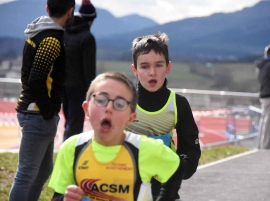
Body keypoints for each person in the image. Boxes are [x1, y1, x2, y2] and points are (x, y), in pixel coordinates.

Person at [49, 72, 183, 201]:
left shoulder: (145, 148)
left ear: (131, 117)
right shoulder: (71, 148)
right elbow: (58, 196)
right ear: (86, 108)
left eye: (119, 104)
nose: (109, 108)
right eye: (101, 100)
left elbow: (176, 168)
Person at [9, 0, 75, 200]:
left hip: (35, 112)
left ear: (47, 9)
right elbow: (36, 79)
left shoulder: (38, 32)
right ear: (71, 12)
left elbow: (29, 75)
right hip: (37, 113)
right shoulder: (51, 40)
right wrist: (48, 111)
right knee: (26, 175)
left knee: (42, 172)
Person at [125, 32, 201, 200]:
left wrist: (175, 169)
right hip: (124, 189)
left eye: (158, 65)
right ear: (135, 69)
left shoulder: (178, 104)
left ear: (168, 67)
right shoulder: (123, 102)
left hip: (165, 191)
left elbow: (191, 152)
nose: (152, 72)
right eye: (145, 66)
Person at [63, 0, 97, 141]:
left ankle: (64, 153)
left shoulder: (65, 32)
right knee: (75, 126)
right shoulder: (87, 38)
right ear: (90, 19)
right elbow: (89, 69)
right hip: (79, 89)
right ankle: (71, 155)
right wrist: (92, 92)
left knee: (68, 122)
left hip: (63, 86)